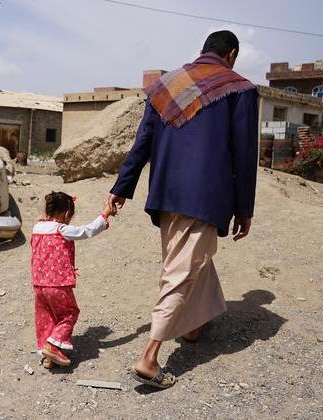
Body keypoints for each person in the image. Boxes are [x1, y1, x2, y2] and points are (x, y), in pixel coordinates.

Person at [106, 30, 259, 388]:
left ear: (203, 50)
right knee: (180, 270)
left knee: (188, 261)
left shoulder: (166, 86)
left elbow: (143, 142)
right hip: (205, 197)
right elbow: (244, 153)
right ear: (231, 55)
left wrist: (121, 188)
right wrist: (244, 208)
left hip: (165, 193)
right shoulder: (239, 88)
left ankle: (193, 326)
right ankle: (149, 357)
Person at [31, 191, 115, 368]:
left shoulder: (36, 228)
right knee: (69, 313)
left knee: (47, 317)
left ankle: (47, 355)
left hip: (38, 285)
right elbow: (87, 230)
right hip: (58, 284)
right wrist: (104, 215)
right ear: (67, 213)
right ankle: (53, 347)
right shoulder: (61, 229)